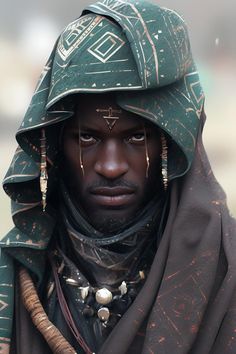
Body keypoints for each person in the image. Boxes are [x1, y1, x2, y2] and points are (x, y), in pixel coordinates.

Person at [1, 0, 236, 353]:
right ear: (52, 147)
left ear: (169, 142)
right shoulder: (15, 280)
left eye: (136, 137)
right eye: (87, 138)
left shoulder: (225, 271)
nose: (111, 167)